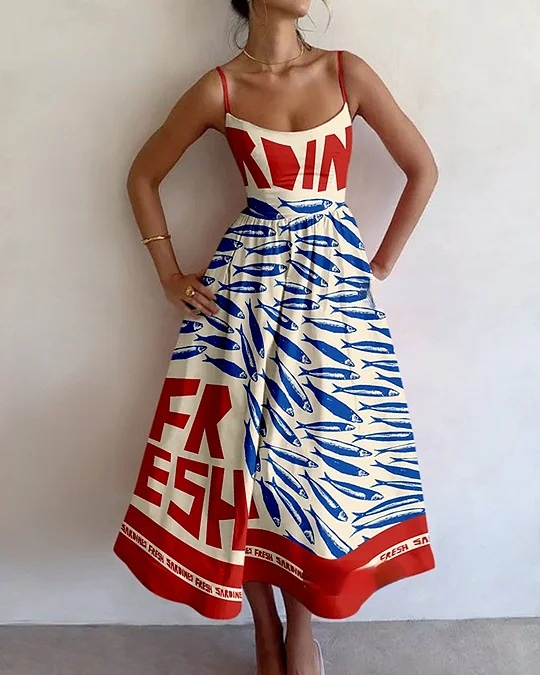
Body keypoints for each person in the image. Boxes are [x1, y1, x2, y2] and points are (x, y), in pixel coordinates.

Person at [113, 1, 439, 674]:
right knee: (242, 455)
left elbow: (423, 169)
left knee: (317, 455)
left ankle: (301, 629)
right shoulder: (220, 88)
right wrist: (168, 273)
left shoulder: (347, 73)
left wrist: (377, 267)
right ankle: (265, 626)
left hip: (332, 301)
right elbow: (142, 176)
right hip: (244, 293)